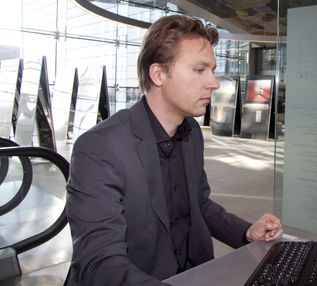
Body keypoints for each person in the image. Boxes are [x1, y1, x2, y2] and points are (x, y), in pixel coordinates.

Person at [65, 15, 283, 285]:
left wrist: (247, 232)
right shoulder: (99, 148)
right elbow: (99, 263)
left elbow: (199, 205)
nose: (214, 83)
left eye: (212, 70)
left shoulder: (191, 133)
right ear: (158, 74)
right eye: (199, 70)